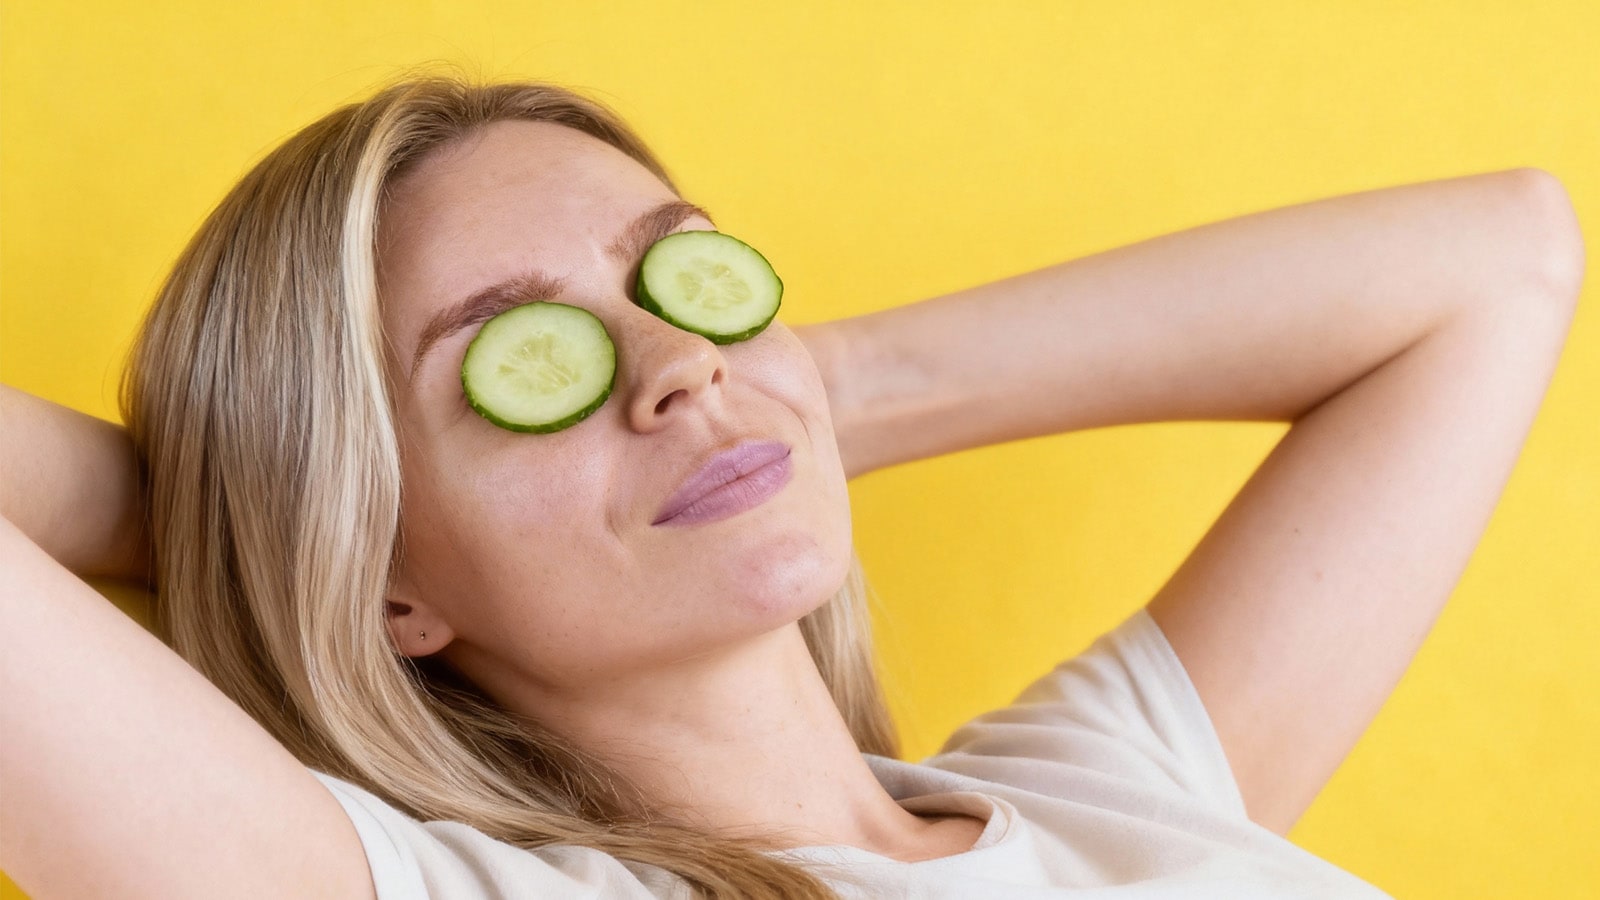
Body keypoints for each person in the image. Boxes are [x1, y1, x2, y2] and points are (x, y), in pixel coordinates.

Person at [0, 76, 1582, 899]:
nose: (671, 359)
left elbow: (1501, 255)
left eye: (682, 271)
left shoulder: (1114, 787)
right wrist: (228, 520)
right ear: (382, 577)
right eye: (514, 355)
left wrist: (799, 395)